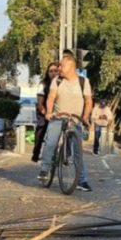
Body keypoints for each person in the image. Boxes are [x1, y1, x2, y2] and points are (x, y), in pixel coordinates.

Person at [38, 54, 93, 192]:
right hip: (58, 117)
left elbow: (88, 101)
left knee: (77, 151)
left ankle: (82, 181)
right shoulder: (57, 81)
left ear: (71, 66)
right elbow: (50, 97)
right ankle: (45, 170)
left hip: (75, 120)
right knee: (51, 141)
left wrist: (85, 117)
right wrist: (49, 112)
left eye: (62, 65)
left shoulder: (83, 81)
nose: (59, 68)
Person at [31, 61, 60, 162]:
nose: (53, 73)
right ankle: (36, 153)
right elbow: (40, 103)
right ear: (47, 73)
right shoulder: (43, 84)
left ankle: (65, 154)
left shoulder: (63, 83)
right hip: (43, 111)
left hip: (57, 112)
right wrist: (46, 113)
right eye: (50, 71)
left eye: (55, 71)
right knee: (41, 129)